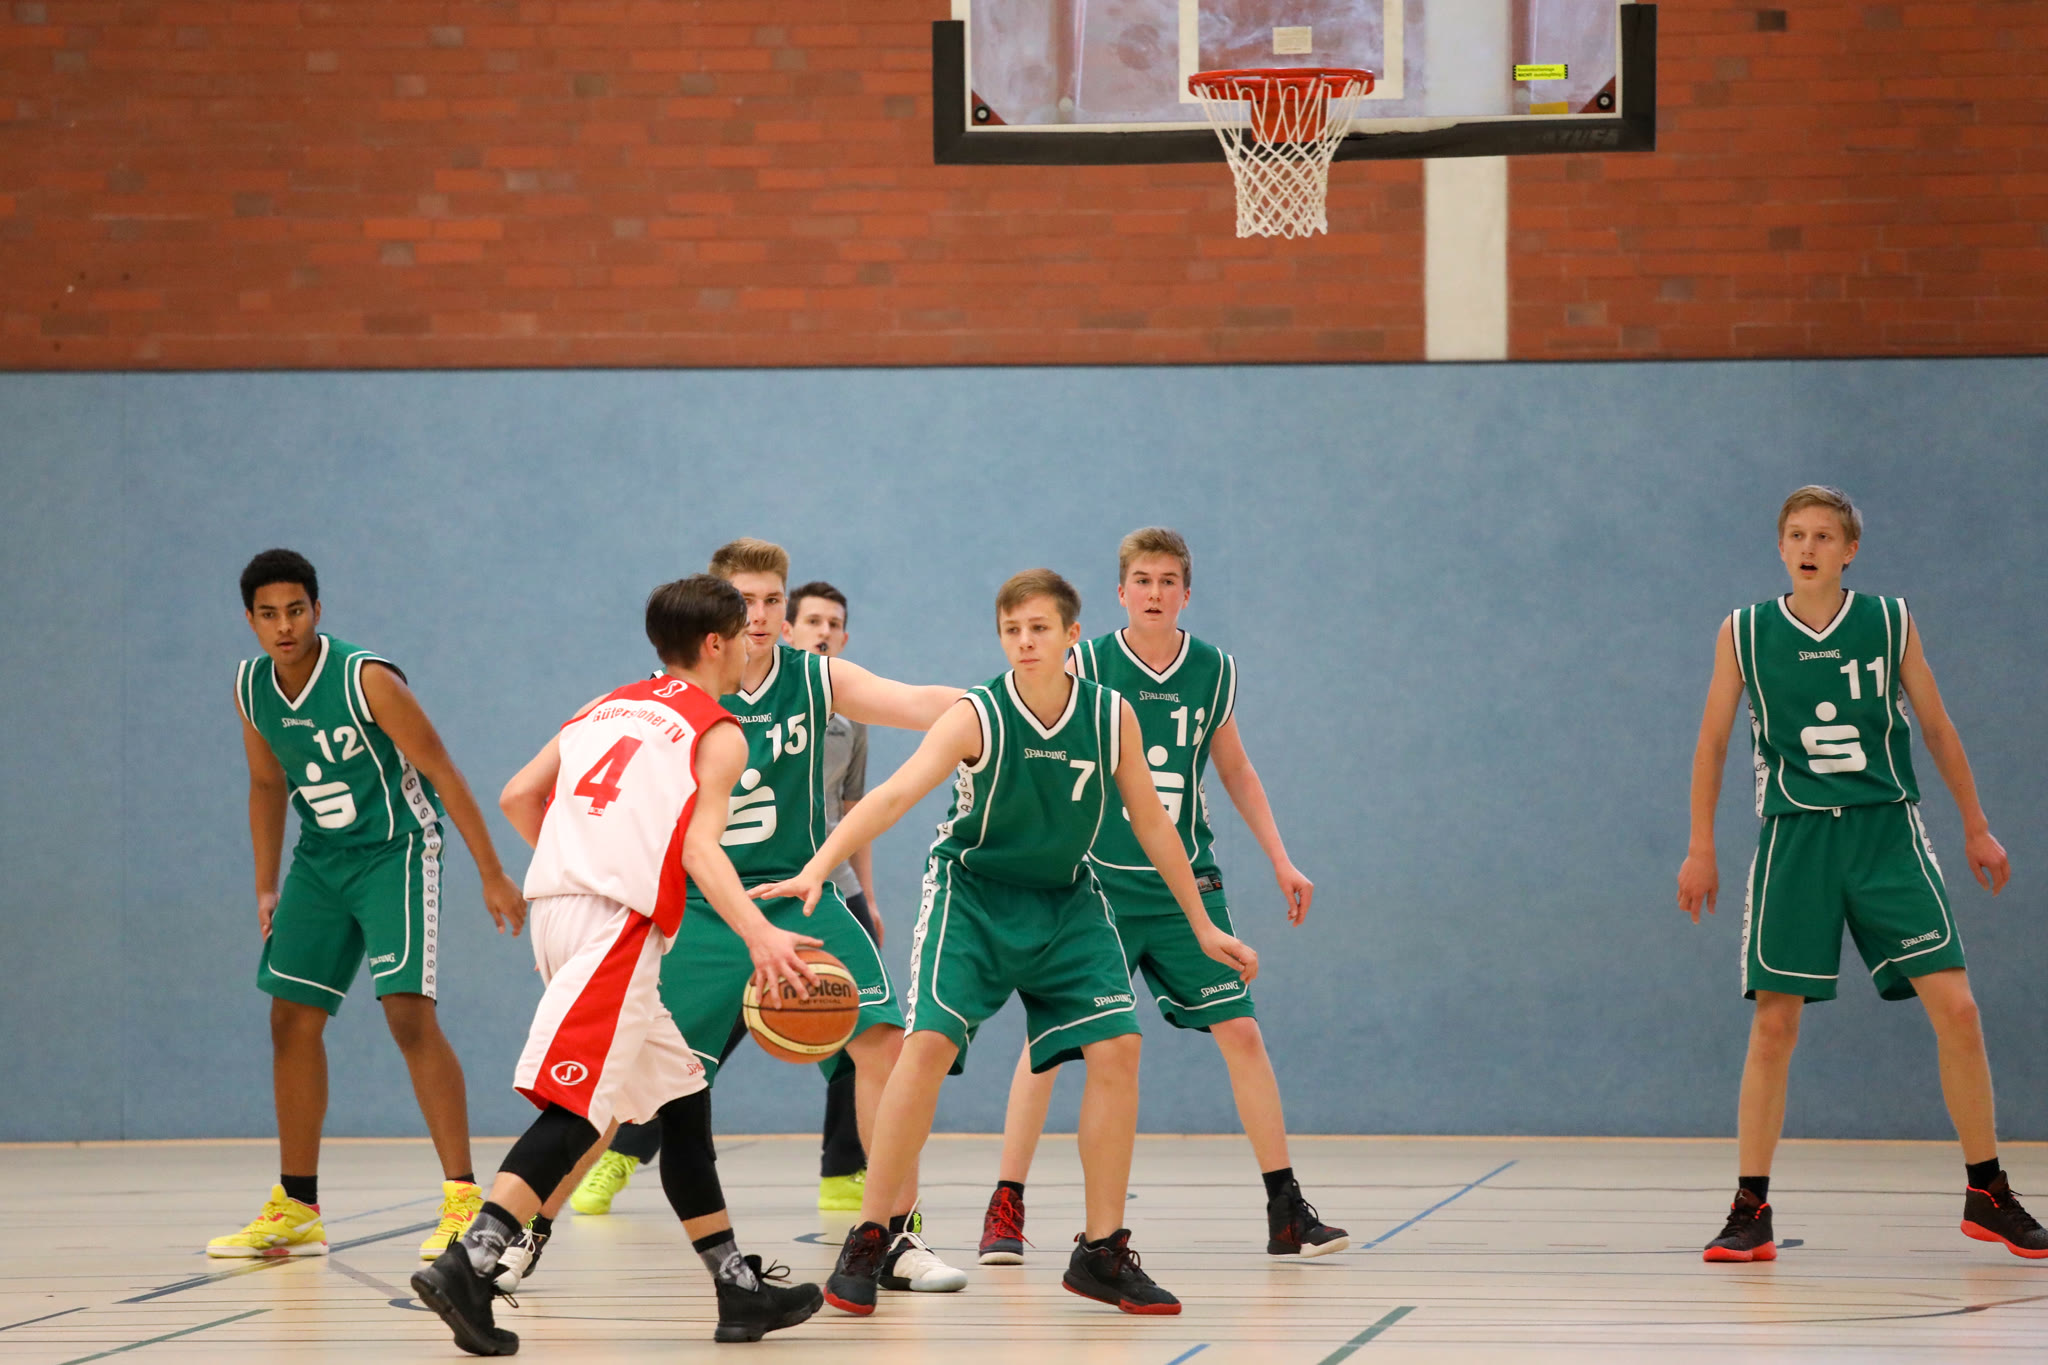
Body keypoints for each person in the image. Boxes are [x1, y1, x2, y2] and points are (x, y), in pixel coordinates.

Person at [752, 568, 1260, 1318]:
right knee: (924, 1045)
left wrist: (1204, 925)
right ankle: (872, 1234)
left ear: (1071, 636)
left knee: (1119, 1047)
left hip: (1066, 900)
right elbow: (892, 795)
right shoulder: (977, 714)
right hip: (973, 897)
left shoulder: (1109, 715)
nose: (1025, 641)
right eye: (1012, 630)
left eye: (1039, 628)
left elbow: (1155, 824)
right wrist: (816, 868)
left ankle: (1101, 1250)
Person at [411, 575, 825, 1353]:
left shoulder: (603, 706)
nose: (752, 646)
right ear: (716, 643)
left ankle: (737, 1289)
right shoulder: (718, 730)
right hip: (616, 927)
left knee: (682, 1101)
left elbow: (517, 795)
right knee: (579, 1109)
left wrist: (584, 861)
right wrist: (760, 936)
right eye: (744, 633)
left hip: (557, 912)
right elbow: (699, 847)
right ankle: (471, 1261)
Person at [550, 542, 966, 1297]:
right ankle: (518, 1235)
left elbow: (917, 702)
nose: (763, 614)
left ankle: (892, 1236)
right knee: (616, 1073)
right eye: (747, 600)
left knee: (883, 1042)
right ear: (718, 610)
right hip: (702, 910)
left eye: (775, 599)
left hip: (799, 895)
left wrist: (1011, 700)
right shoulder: (671, 697)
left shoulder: (816, 678)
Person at [1678, 485, 2047, 1263]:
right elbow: (1712, 740)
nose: (1808, 547)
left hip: (1887, 833)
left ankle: (1988, 1191)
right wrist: (1700, 846)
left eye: (1823, 535)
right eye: (1796, 534)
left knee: (1960, 1009)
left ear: (1850, 551)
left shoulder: (1890, 620)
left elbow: (1936, 725)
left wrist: (1976, 824)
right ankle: (1750, 1207)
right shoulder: (1744, 631)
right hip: (1797, 837)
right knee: (1774, 1024)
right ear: (1781, 546)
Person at [978, 529, 1345, 1265]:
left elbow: (1235, 768)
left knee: (1242, 1032)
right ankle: (1005, 1204)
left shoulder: (1212, 669)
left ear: (1186, 592)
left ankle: (1285, 1208)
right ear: (1120, 592)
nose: (1153, 592)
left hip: (1185, 886)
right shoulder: (1085, 662)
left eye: (1167, 580)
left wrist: (1280, 857)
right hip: (1097, 886)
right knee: (1049, 1046)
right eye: (1141, 580)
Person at [212, 549, 528, 1262]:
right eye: (269, 614)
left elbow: (441, 768)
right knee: (290, 1018)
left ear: (317, 611)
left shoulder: (367, 678)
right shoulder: (251, 687)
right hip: (320, 861)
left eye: (296, 610)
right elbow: (266, 785)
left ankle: (463, 1201)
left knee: (407, 1014)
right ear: (251, 621)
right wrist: (266, 884)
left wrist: (492, 872)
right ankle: (297, 1206)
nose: (284, 626)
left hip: (396, 851)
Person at [568, 580, 878, 1218]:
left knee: (862, 1033)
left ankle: (856, 1181)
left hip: (818, 889)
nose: (822, 631)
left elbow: (854, 809)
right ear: (781, 631)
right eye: (811, 621)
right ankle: (617, 1156)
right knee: (680, 1058)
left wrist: (864, 895)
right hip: (718, 897)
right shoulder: (704, 711)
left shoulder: (845, 715)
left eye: (834, 623)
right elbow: (692, 839)